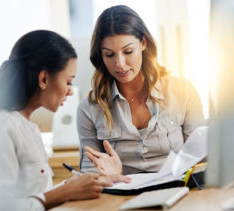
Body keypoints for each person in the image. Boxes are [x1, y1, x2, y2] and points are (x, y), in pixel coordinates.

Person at [0, 30, 129, 211]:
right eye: (69, 82)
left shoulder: (25, 125)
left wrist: (88, 182)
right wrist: (65, 192)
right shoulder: (3, 127)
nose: (70, 91)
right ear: (44, 79)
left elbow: (35, 193)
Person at [77, 5, 205, 176]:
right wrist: (109, 175)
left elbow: (200, 158)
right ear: (100, 55)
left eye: (128, 51)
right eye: (109, 54)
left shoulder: (183, 91)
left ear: (143, 43)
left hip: (178, 190)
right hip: (121, 196)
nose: (120, 64)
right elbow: (89, 172)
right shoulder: (89, 108)